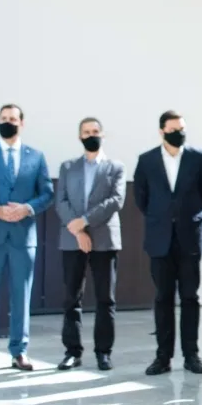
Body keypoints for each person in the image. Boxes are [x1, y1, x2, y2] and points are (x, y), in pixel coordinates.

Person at [0, 104, 54, 373]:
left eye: (12, 119)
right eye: (3, 119)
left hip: (23, 236)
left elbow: (47, 193)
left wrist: (26, 208)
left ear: (22, 123)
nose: (8, 122)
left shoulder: (36, 156)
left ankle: (19, 351)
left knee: (21, 295)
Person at [134, 111, 202, 376]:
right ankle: (163, 356)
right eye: (173, 129)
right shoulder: (146, 161)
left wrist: (189, 217)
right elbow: (141, 199)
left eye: (182, 128)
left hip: (190, 238)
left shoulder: (197, 157)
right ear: (161, 131)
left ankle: (192, 355)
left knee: (190, 297)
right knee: (163, 298)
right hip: (160, 240)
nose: (178, 133)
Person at [54, 117, 126, 371]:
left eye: (95, 131)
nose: (91, 135)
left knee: (105, 299)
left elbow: (116, 200)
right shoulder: (68, 167)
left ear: (103, 135)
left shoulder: (115, 167)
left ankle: (103, 352)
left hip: (104, 239)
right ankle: (72, 351)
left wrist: (84, 221)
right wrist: (77, 229)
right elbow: (61, 200)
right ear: (79, 136)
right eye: (86, 132)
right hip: (73, 239)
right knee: (72, 298)